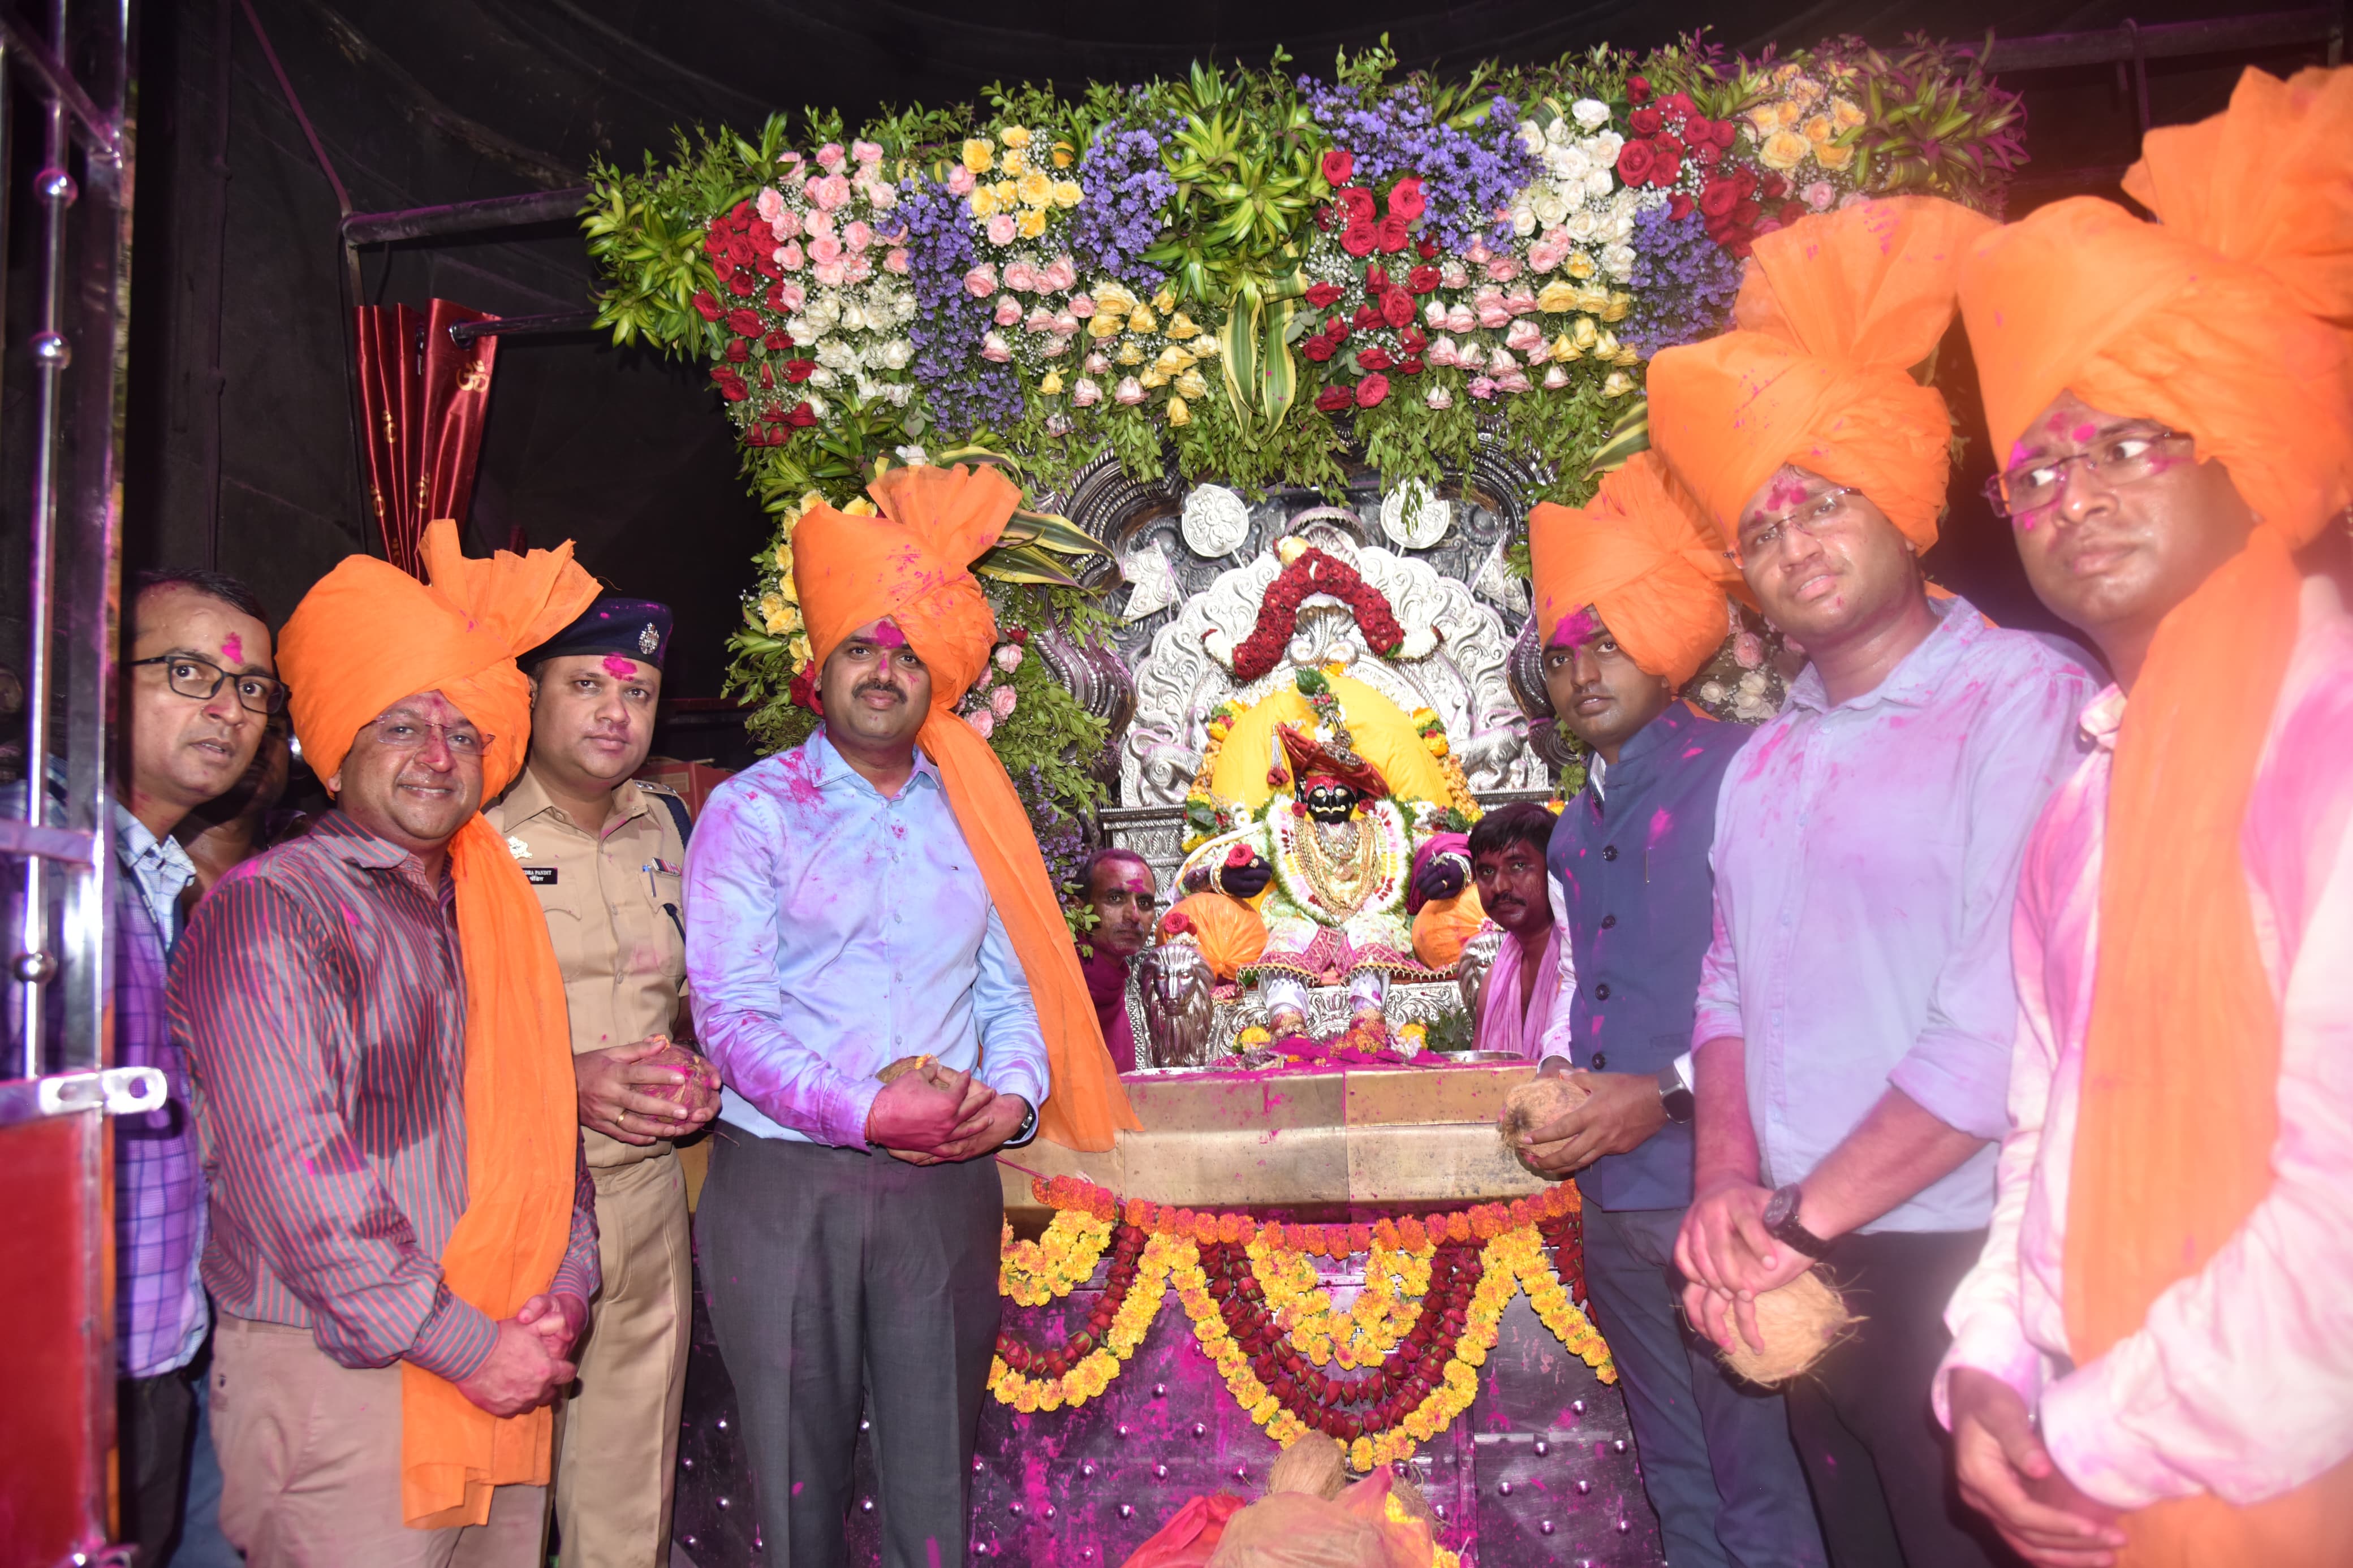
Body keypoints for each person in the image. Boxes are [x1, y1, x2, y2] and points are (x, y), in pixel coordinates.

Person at [1647, 195, 2101, 1568]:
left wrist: (1793, 1218)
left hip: (1967, 1253)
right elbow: (1724, 989)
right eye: (1764, 522)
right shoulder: (1766, 759)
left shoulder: (2023, 700)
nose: (1793, 542)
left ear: (1905, 507)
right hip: (1800, 1244)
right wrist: (1726, 1185)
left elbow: (1996, 1025)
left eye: (1825, 500)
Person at [1938, 66, 2353, 1567]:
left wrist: (2082, 1435)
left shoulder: (2328, 748)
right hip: (2105, 1445)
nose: (2074, 495)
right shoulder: (2086, 797)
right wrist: (1987, 1359)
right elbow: (2046, 1130)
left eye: (2131, 442)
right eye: (2038, 467)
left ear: (2241, 442)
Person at [687, 462, 1136, 1568]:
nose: (883, 670)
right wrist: (866, 1110)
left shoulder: (978, 812)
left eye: (903, 652)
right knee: (798, 1495)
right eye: (858, 649)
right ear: (818, 668)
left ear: (933, 673)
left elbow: (1013, 985)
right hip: (785, 1186)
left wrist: (1018, 1098)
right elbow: (732, 1022)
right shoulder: (750, 814)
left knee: (935, 1483)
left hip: (946, 1193)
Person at [172, 521, 604, 1566]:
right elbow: (299, 1173)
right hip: (342, 1376)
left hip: (504, 1365)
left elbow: (547, 1126)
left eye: (463, 730)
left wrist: (567, 1290)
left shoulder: (485, 912)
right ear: (337, 744)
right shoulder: (271, 910)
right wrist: (472, 1344)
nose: (440, 755)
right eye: (402, 724)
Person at [1511, 455, 1824, 1568]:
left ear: (1664, 638)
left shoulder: (1749, 771)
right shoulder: (1570, 821)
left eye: (1606, 639)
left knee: (1763, 1478)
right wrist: (1553, 1082)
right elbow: (1571, 990)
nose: (1582, 671)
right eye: (1560, 654)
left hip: (1725, 1184)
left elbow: (1797, 987)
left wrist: (1669, 1095)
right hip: (1614, 1201)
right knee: (1676, 1476)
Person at [486, 596, 722, 1568]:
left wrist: (701, 1060)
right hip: (514, 1198)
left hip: (648, 1189)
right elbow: (425, 1027)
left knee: (628, 1500)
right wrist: (562, 1080)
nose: (614, 711)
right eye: (586, 684)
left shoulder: (669, 824)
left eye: (639, 690)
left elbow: (691, 993)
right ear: (531, 695)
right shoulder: (471, 825)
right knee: (496, 1500)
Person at [110, 569, 277, 1563]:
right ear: (103, 679)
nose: (228, 708)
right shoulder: (38, 867)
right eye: (189, 672)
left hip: (163, 1356)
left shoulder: (165, 885)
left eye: (252, 688)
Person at [1462, 803, 1561, 1060]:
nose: (1499, 886)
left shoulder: (1584, 970)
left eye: (1518, 865)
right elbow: (1475, 1082)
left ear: (1554, 868)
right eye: (1487, 871)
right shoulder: (1495, 982)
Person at [1070, 845, 1158, 1074]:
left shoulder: (1113, 983)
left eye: (1145, 903)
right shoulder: (1060, 981)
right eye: (1116, 898)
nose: (1134, 915)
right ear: (1077, 908)